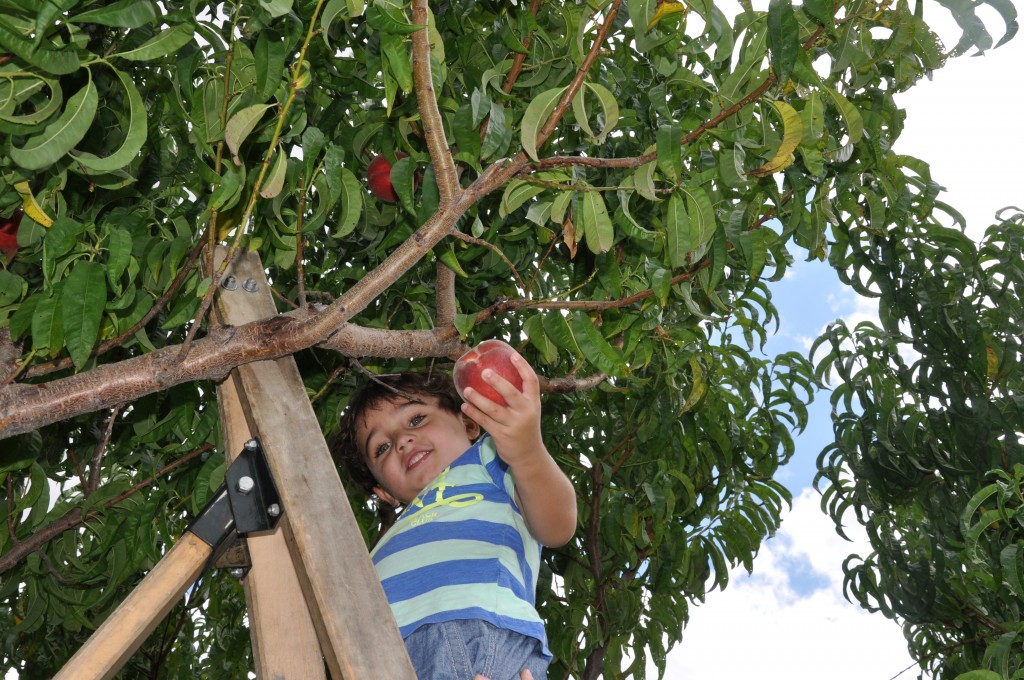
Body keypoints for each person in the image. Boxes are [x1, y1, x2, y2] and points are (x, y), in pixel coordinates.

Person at [335, 352, 577, 680]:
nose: (401, 440)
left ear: (469, 424)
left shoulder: (491, 462)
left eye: (416, 419)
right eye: (381, 448)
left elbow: (557, 526)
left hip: (467, 627)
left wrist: (526, 451)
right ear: (384, 493)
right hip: (376, 660)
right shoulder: (382, 547)